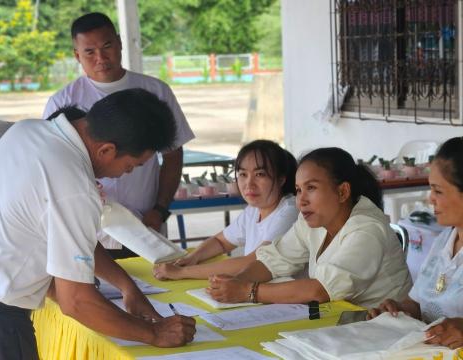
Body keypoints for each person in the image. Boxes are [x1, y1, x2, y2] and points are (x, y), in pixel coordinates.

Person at [0, 89, 196, 360]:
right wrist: (154, 333)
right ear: (106, 150)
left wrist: (126, 286)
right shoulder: (74, 185)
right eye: (130, 166)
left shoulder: (28, 132)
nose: (122, 174)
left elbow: (70, 235)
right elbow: (76, 301)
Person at [43, 12, 195, 256]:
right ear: (77, 55)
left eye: (107, 46)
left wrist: (160, 209)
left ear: (119, 42)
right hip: (89, 230)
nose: (101, 58)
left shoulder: (156, 92)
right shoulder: (63, 102)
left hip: (145, 225)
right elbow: (55, 167)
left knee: (155, 288)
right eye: (89, 52)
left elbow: (173, 155)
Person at [206, 147, 412, 308]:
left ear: (342, 192)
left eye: (311, 188)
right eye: (298, 190)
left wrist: (247, 291)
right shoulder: (312, 222)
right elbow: (273, 260)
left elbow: (320, 290)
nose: (301, 201)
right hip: (344, 324)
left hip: (385, 329)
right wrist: (235, 282)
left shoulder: (367, 229)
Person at [153, 140, 299, 280]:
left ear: (281, 179)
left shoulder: (289, 212)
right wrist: (193, 257)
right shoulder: (254, 210)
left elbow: (253, 262)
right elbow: (221, 241)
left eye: (259, 174)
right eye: (243, 174)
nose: (249, 184)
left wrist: (182, 272)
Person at [368, 137, 463, 350]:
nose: (431, 199)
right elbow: (419, 304)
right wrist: (397, 311)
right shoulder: (444, 240)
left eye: (438, 191)